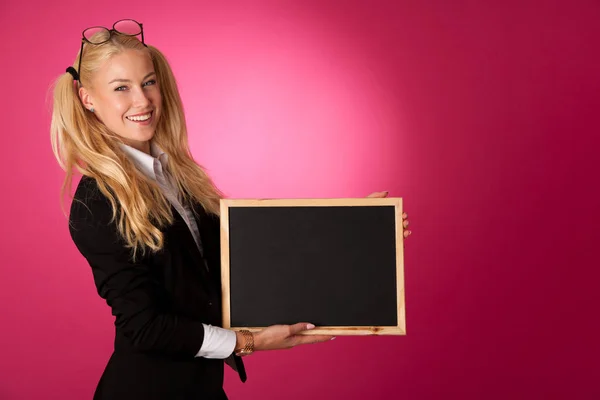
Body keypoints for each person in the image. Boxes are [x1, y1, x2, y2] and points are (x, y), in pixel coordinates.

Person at [50, 19, 411, 400]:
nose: (142, 101)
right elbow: (144, 327)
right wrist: (247, 341)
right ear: (87, 98)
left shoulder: (175, 175)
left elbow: (245, 248)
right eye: (121, 88)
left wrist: (354, 226)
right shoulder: (97, 202)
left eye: (148, 82)